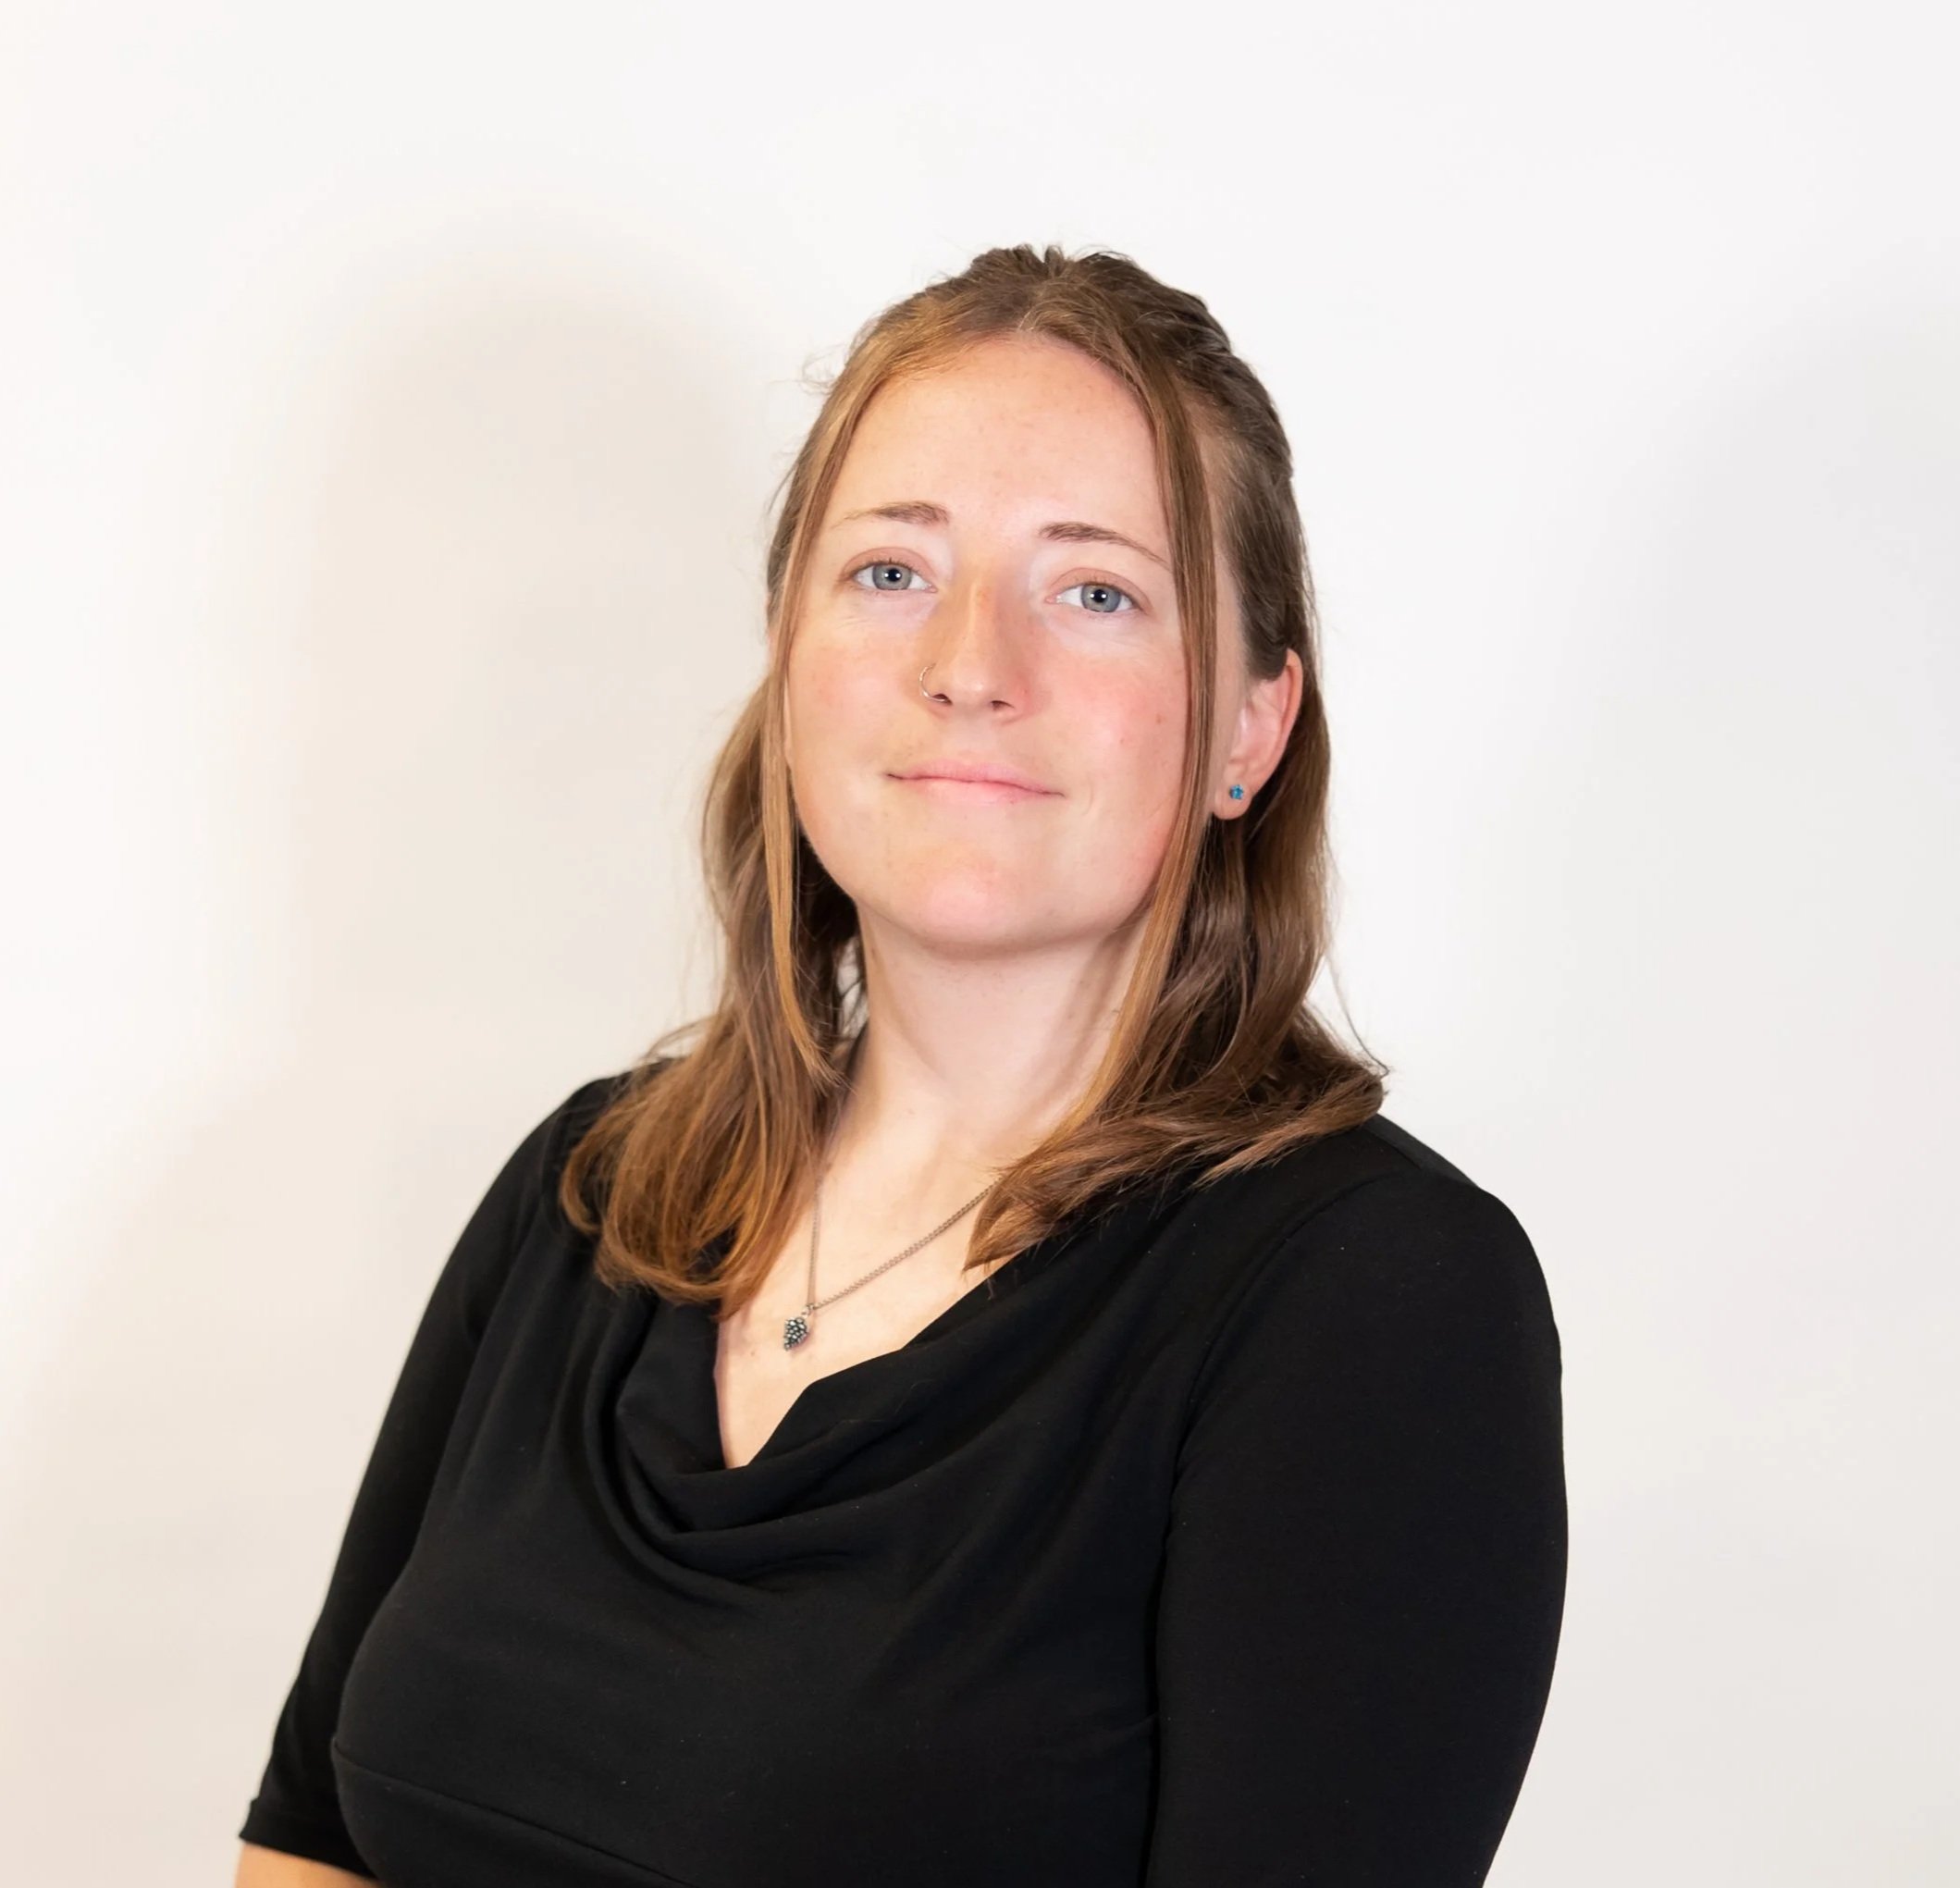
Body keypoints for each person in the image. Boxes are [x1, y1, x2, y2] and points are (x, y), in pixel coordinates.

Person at [235, 242, 1567, 1887]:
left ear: (1251, 727)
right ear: (788, 660)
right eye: (889, 570)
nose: (970, 662)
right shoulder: (594, 1186)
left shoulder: (1374, 1301)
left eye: (1096, 591)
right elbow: (309, 1837)